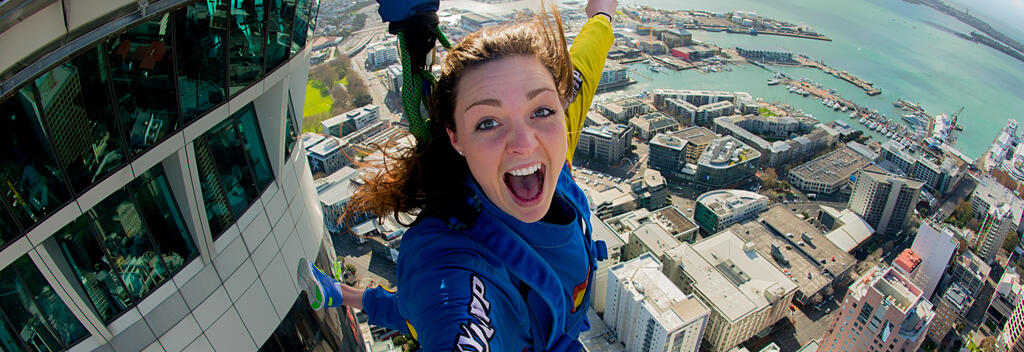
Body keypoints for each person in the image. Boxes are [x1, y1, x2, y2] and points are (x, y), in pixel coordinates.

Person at [297, 1, 616, 350]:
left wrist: (600, 16)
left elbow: (584, 64)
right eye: (488, 123)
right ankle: (337, 293)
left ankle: (335, 293)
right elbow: (452, 316)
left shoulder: (557, 137)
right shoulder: (451, 261)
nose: (524, 143)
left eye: (540, 110)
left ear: (558, 107)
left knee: (404, 310)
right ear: (456, 137)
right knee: (410, 313)